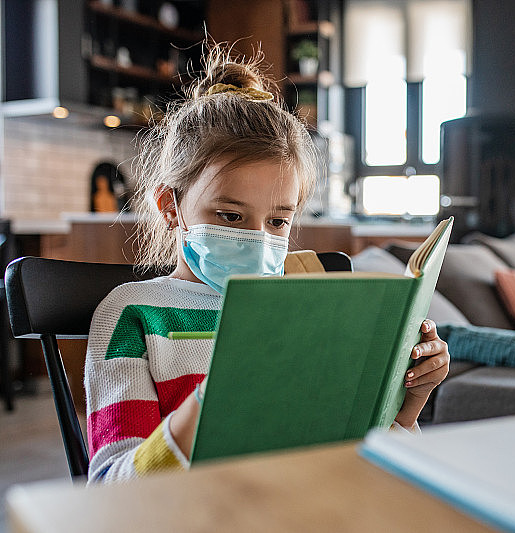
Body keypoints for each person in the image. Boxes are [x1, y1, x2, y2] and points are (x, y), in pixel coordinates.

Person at [84, 43, 450, 484]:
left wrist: (406, 409)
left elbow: (350, 464)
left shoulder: (308, 306)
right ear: (169, 207)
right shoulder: (133, 313)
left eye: (277, 221)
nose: (258, 240)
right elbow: (110, 488)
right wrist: (213, 399)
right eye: (230, 216)